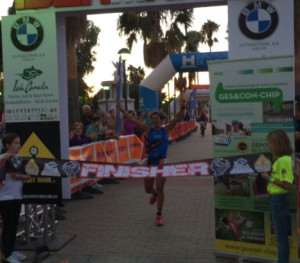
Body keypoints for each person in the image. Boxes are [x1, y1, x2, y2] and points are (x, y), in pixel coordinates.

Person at [117, 100, 185, 226]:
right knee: (148, 189)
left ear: (161, 119)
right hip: (150, 161)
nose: (155, 120)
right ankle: (153, 194)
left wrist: (183, 107)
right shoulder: (148, 130)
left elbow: (177, 118)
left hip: (161, 161)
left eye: (157, 118)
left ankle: (159, 214)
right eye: (153, 118)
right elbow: (133, 120)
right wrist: (122, 110)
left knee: (160, 187)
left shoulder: (166, 129)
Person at [261, 130, 293, 263]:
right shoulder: (280, 160)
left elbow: (287, 185)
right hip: (277, 199)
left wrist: (269, 179)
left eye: (271, 143)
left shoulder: (284, 160)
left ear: (278, 144)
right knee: (281, 236)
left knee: (281, 238)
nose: (270, 146)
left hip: (279, 200)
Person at [0, 133, 30, 263]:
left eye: (19, 143)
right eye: (16, 143)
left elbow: (23, 174)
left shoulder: (20, 158)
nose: (19, 145)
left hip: (17, 195)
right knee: (8, 226)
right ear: (8, 145)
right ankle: (6, 254)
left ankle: (12, 250)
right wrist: (6, 158)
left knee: (14, 226)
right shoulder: (2, 158)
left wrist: (22, 176)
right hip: (5, 197)